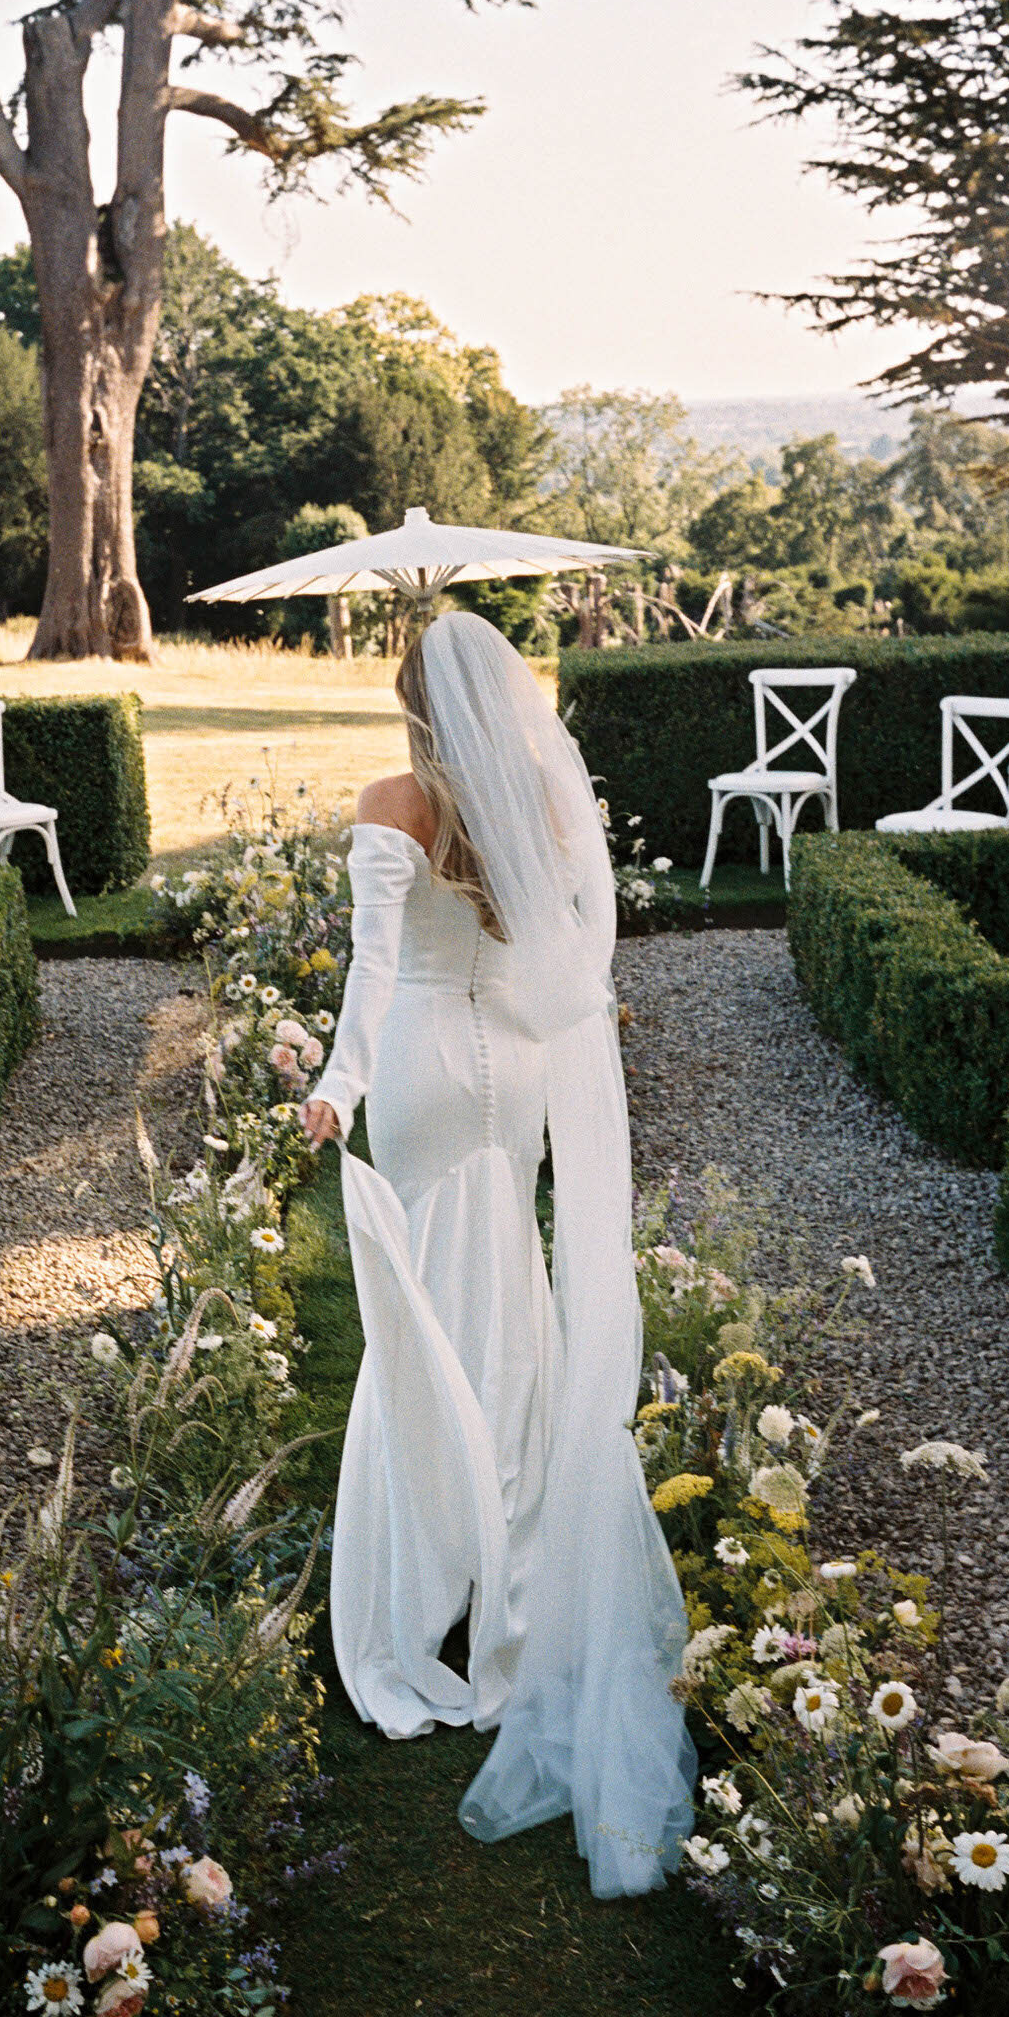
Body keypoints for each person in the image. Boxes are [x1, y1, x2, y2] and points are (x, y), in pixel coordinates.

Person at [298, 610, 695, 1899]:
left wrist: (338, 1085)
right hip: (510, 1072)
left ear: (410, 703)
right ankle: (518, 1576)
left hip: (417, 1070)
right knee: (512, 1304)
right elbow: (574, 949)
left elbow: (369, 970)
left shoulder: (388, 799)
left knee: (418, 1319)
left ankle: (423, 1589)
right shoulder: (530, 794)